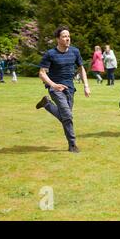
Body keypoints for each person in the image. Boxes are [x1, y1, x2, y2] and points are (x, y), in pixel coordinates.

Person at [36, 25, 91, 153]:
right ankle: (72, 144)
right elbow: (42, 73)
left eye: (68, 36)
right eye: (64, 36)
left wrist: (86, 85)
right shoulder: (50, 54)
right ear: (58, 39)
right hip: (56, 89)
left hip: (70, 89)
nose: (67, 39)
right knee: (67, 115)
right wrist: (53, 85)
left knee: (66, 116)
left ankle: (47, 104)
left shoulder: (75, 52)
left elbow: (81, 68)